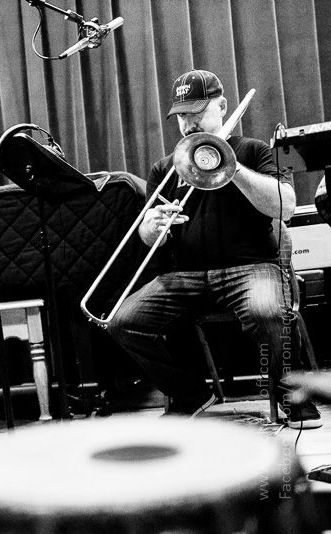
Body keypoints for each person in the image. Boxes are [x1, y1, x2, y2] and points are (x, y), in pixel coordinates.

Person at [107, 69, 322, 429]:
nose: (189, 124)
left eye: (197, 112)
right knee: (123, 322)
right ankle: (189, 393)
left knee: (267, 310)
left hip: (251, 268)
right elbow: (147, 237)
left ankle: (292, 394)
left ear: (222, 107)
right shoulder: (166, 167)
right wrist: (153, 225)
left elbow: (285, 205)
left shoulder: (254, 151)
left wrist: (231, 167)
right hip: (186, 277)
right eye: (182, 116)